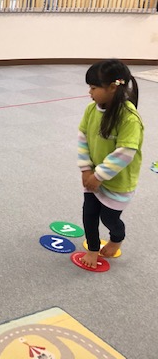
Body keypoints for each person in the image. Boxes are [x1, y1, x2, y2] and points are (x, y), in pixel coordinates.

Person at [78, 59, 142, 268]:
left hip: (117, 183)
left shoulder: (129, 118)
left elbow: (125, 153)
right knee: (89, 214)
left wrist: (98, 176)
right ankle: (92, 249)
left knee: (109, 219)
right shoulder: (91, 110)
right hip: (93, 178)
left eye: (94, 87)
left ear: (113, 87)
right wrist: (86, 169)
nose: (90, 92)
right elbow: (83, 138)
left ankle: (116, 238)